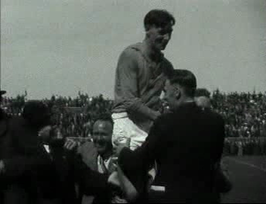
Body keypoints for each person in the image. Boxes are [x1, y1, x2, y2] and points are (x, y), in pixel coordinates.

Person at [115, 70, 226, 203]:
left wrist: (122, 151)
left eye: (165, 91)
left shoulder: (165, 122)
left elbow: (139, 161)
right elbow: (215, 161)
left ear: (177, 92)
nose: (164, 97)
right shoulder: (217, 121)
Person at [112, 9, 175, 150]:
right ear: (147, 29)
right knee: (127, 170)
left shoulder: (166, 66)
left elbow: (174, 96)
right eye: (161, 32)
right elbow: (130, 102)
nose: (166, 38)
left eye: (169, 33)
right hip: (127, 122)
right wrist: (160, 118)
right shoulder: (131, 56)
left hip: (149, 124)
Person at [77, 113, 126, 203]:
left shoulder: (123, 157)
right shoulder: (84, 150)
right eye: (96, 134)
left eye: (103, 134)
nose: (99, 138)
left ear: (113, 135)